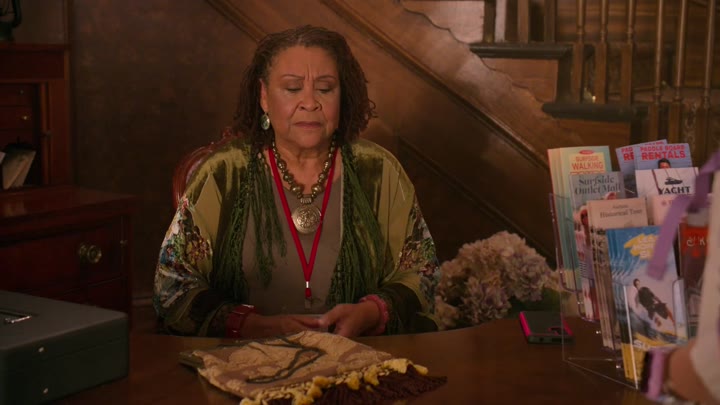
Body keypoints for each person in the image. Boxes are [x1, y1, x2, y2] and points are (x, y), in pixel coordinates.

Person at [153, 25, 440, 339]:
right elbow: (173, 285)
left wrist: (371, 313)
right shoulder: (223, 173)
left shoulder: (379, 171)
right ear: (264, 97)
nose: (310, 102)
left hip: (358, 355)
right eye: (292, 88)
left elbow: (422, 275)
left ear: (342, 96)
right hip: (245, 359)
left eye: (325, 89)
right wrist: (255, 326)